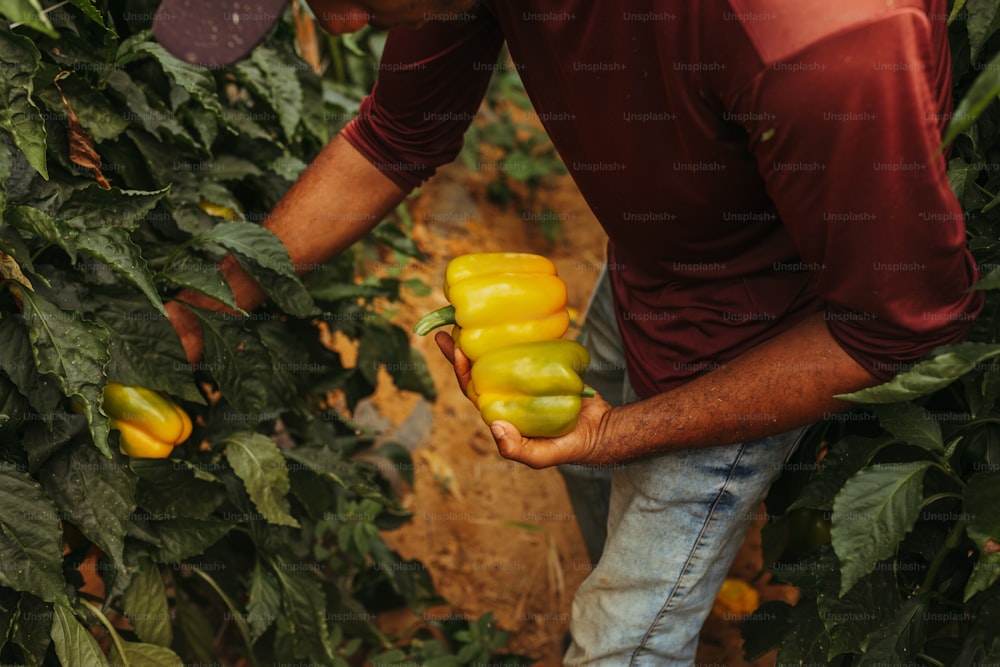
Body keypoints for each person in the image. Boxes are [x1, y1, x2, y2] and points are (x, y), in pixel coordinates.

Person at [154, 0, 983, 664]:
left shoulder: (822, 37)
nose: (337, 21)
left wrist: (625, 431)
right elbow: (397, 133)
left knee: (620, 637)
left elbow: (888, 330)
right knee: (598, 493)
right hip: (659, 259)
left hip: (768, 326)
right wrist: (204, 308)